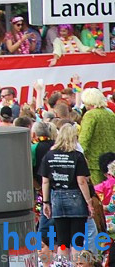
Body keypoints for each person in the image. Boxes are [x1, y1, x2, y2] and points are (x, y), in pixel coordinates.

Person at [41, 124, 94, 262]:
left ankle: (62, 265)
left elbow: (45, 182)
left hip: (57, 197)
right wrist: (89, 202)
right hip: (76, 196)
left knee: (62, 240)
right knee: (77, 239)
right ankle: (78, 264)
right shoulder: (77, 156)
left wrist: (46, 202)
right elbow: (82, 181)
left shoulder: (49, 156)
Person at [79, 88, 115, 184]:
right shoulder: (110, 114)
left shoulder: (90, 115)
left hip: (94, 161)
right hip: (111, 159)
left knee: (99, 191)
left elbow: (84, 138)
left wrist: (80, 156)